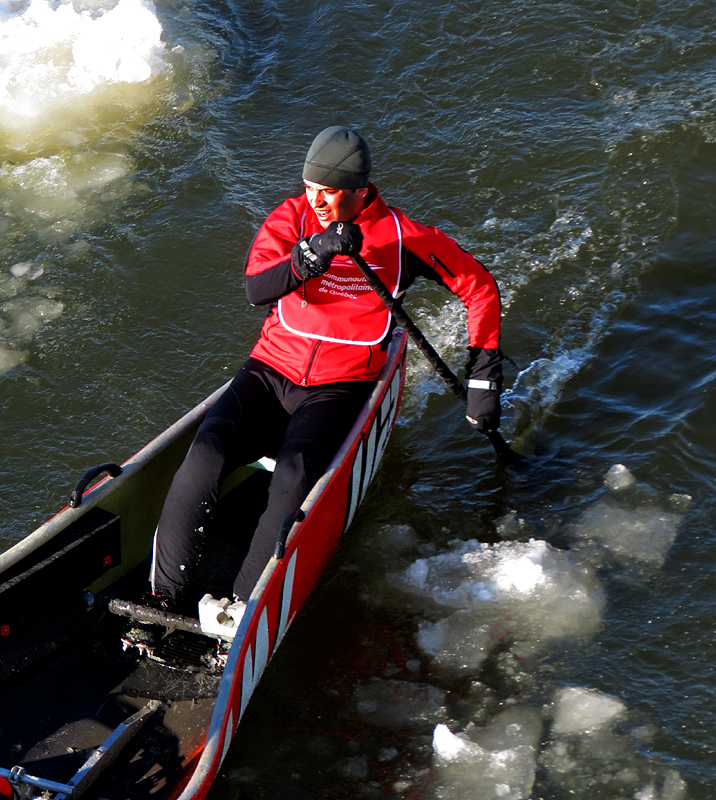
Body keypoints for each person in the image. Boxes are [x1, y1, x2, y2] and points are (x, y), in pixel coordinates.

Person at [148, 125, 503, 620]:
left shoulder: (403, 237)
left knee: (293, 476)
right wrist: (310, 255)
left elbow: (478, 285)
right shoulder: (290, 217)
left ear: (360, 191)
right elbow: (256, 288)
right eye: (309, 187)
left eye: (328, 192)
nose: (314, 200)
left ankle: (241, 611)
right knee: (206, 452)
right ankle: (163, 597)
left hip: (342, 385)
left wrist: (484, 378)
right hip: (271, 369)